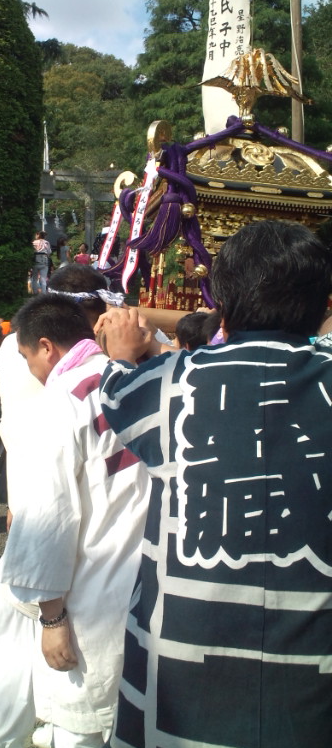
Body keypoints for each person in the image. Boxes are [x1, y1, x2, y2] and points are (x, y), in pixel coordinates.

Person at [96, 220, 332, 748]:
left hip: (179, 693)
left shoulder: (170, 384)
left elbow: (113, 394)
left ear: (221, 303)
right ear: (324, 305)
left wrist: (119, 352)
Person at [0, 294, 150, 748]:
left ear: (47, 346)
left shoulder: (64, 397)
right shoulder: (144, 380)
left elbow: (49, 514)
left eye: (27, 357)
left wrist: (51, 618)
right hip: (145, 586)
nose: (29, 369)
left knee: (79, 725)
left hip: (88, 596)